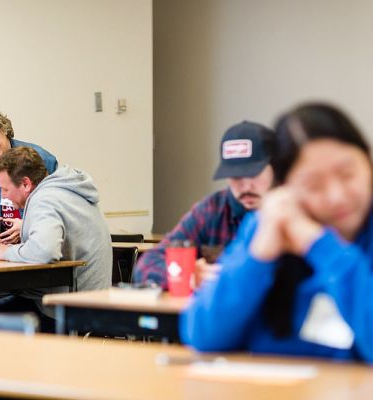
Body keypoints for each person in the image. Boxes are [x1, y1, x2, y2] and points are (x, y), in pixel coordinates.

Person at [182, 103, 373, 362]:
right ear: (286, 188)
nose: (337, 196)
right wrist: (257, 258)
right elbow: (203, 336)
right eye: (314, 185)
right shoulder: (268, 224)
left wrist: (319, 245)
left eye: (348, 174)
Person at [0, 146, 111, 329]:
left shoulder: (44, 200)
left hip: (70, 311)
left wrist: (7, 251)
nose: (2, 195)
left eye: (4, 189)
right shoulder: (63, 192)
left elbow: (45, 251)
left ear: (25, 184)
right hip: (87, 304)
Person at [133, 121, 275, 288]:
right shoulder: (211, 211)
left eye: (254, 174)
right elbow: (146, 265)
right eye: (235, 176)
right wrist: (188, 274)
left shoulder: (296, 210)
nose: (246, 186)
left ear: (276, 169)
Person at [0, 105, 58, 244]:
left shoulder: (41, 158)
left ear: (4, 129)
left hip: (38, 241)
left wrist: (25, 226)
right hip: (3, 246)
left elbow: (55, 209)